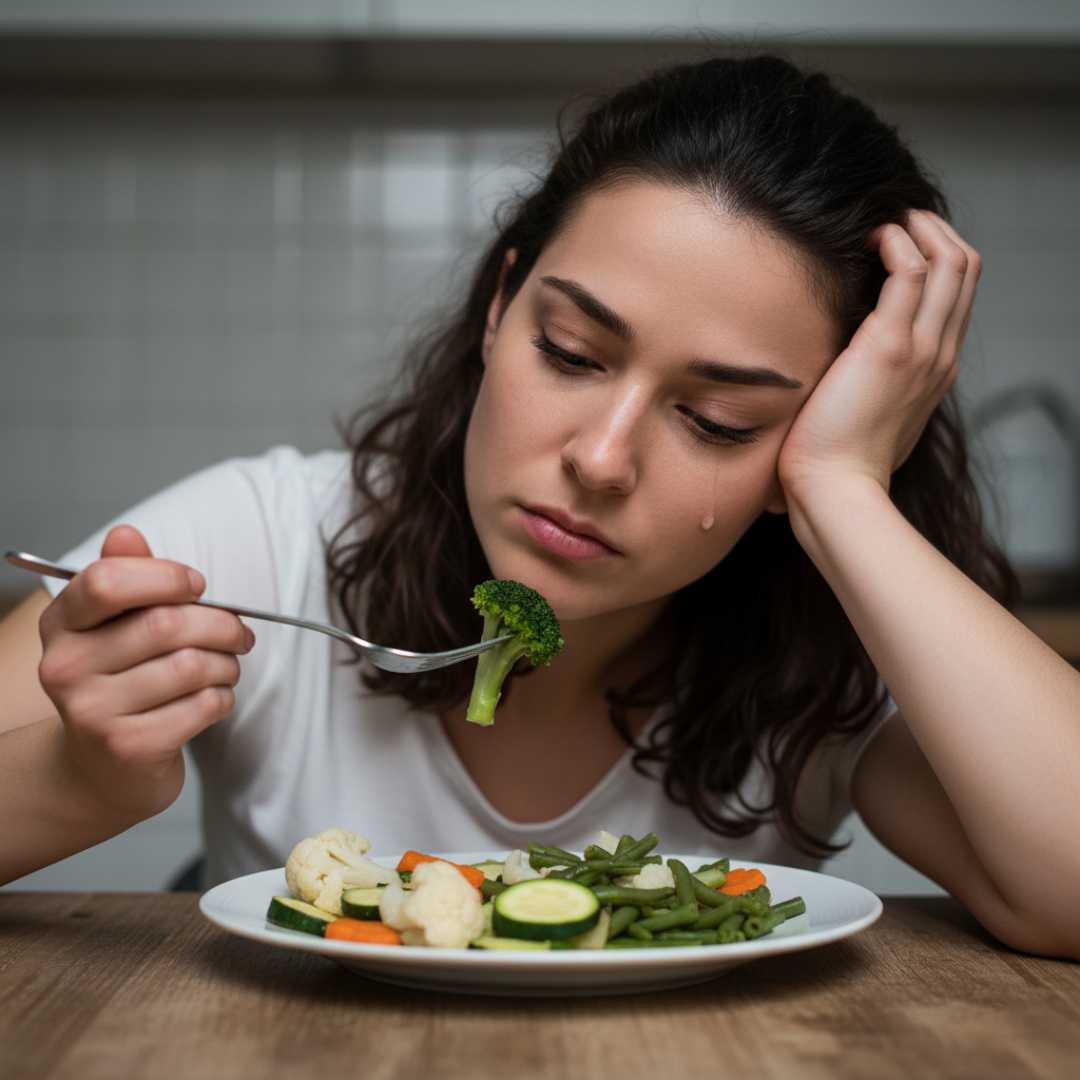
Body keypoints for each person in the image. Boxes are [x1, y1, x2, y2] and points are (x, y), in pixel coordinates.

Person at [2, 53, 1078, 959]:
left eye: (718, 420)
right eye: (570, 354)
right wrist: (82, 771)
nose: (602, 459)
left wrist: (845, 494)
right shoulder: (264, 537)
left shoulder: (834, 641)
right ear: (500, 307)